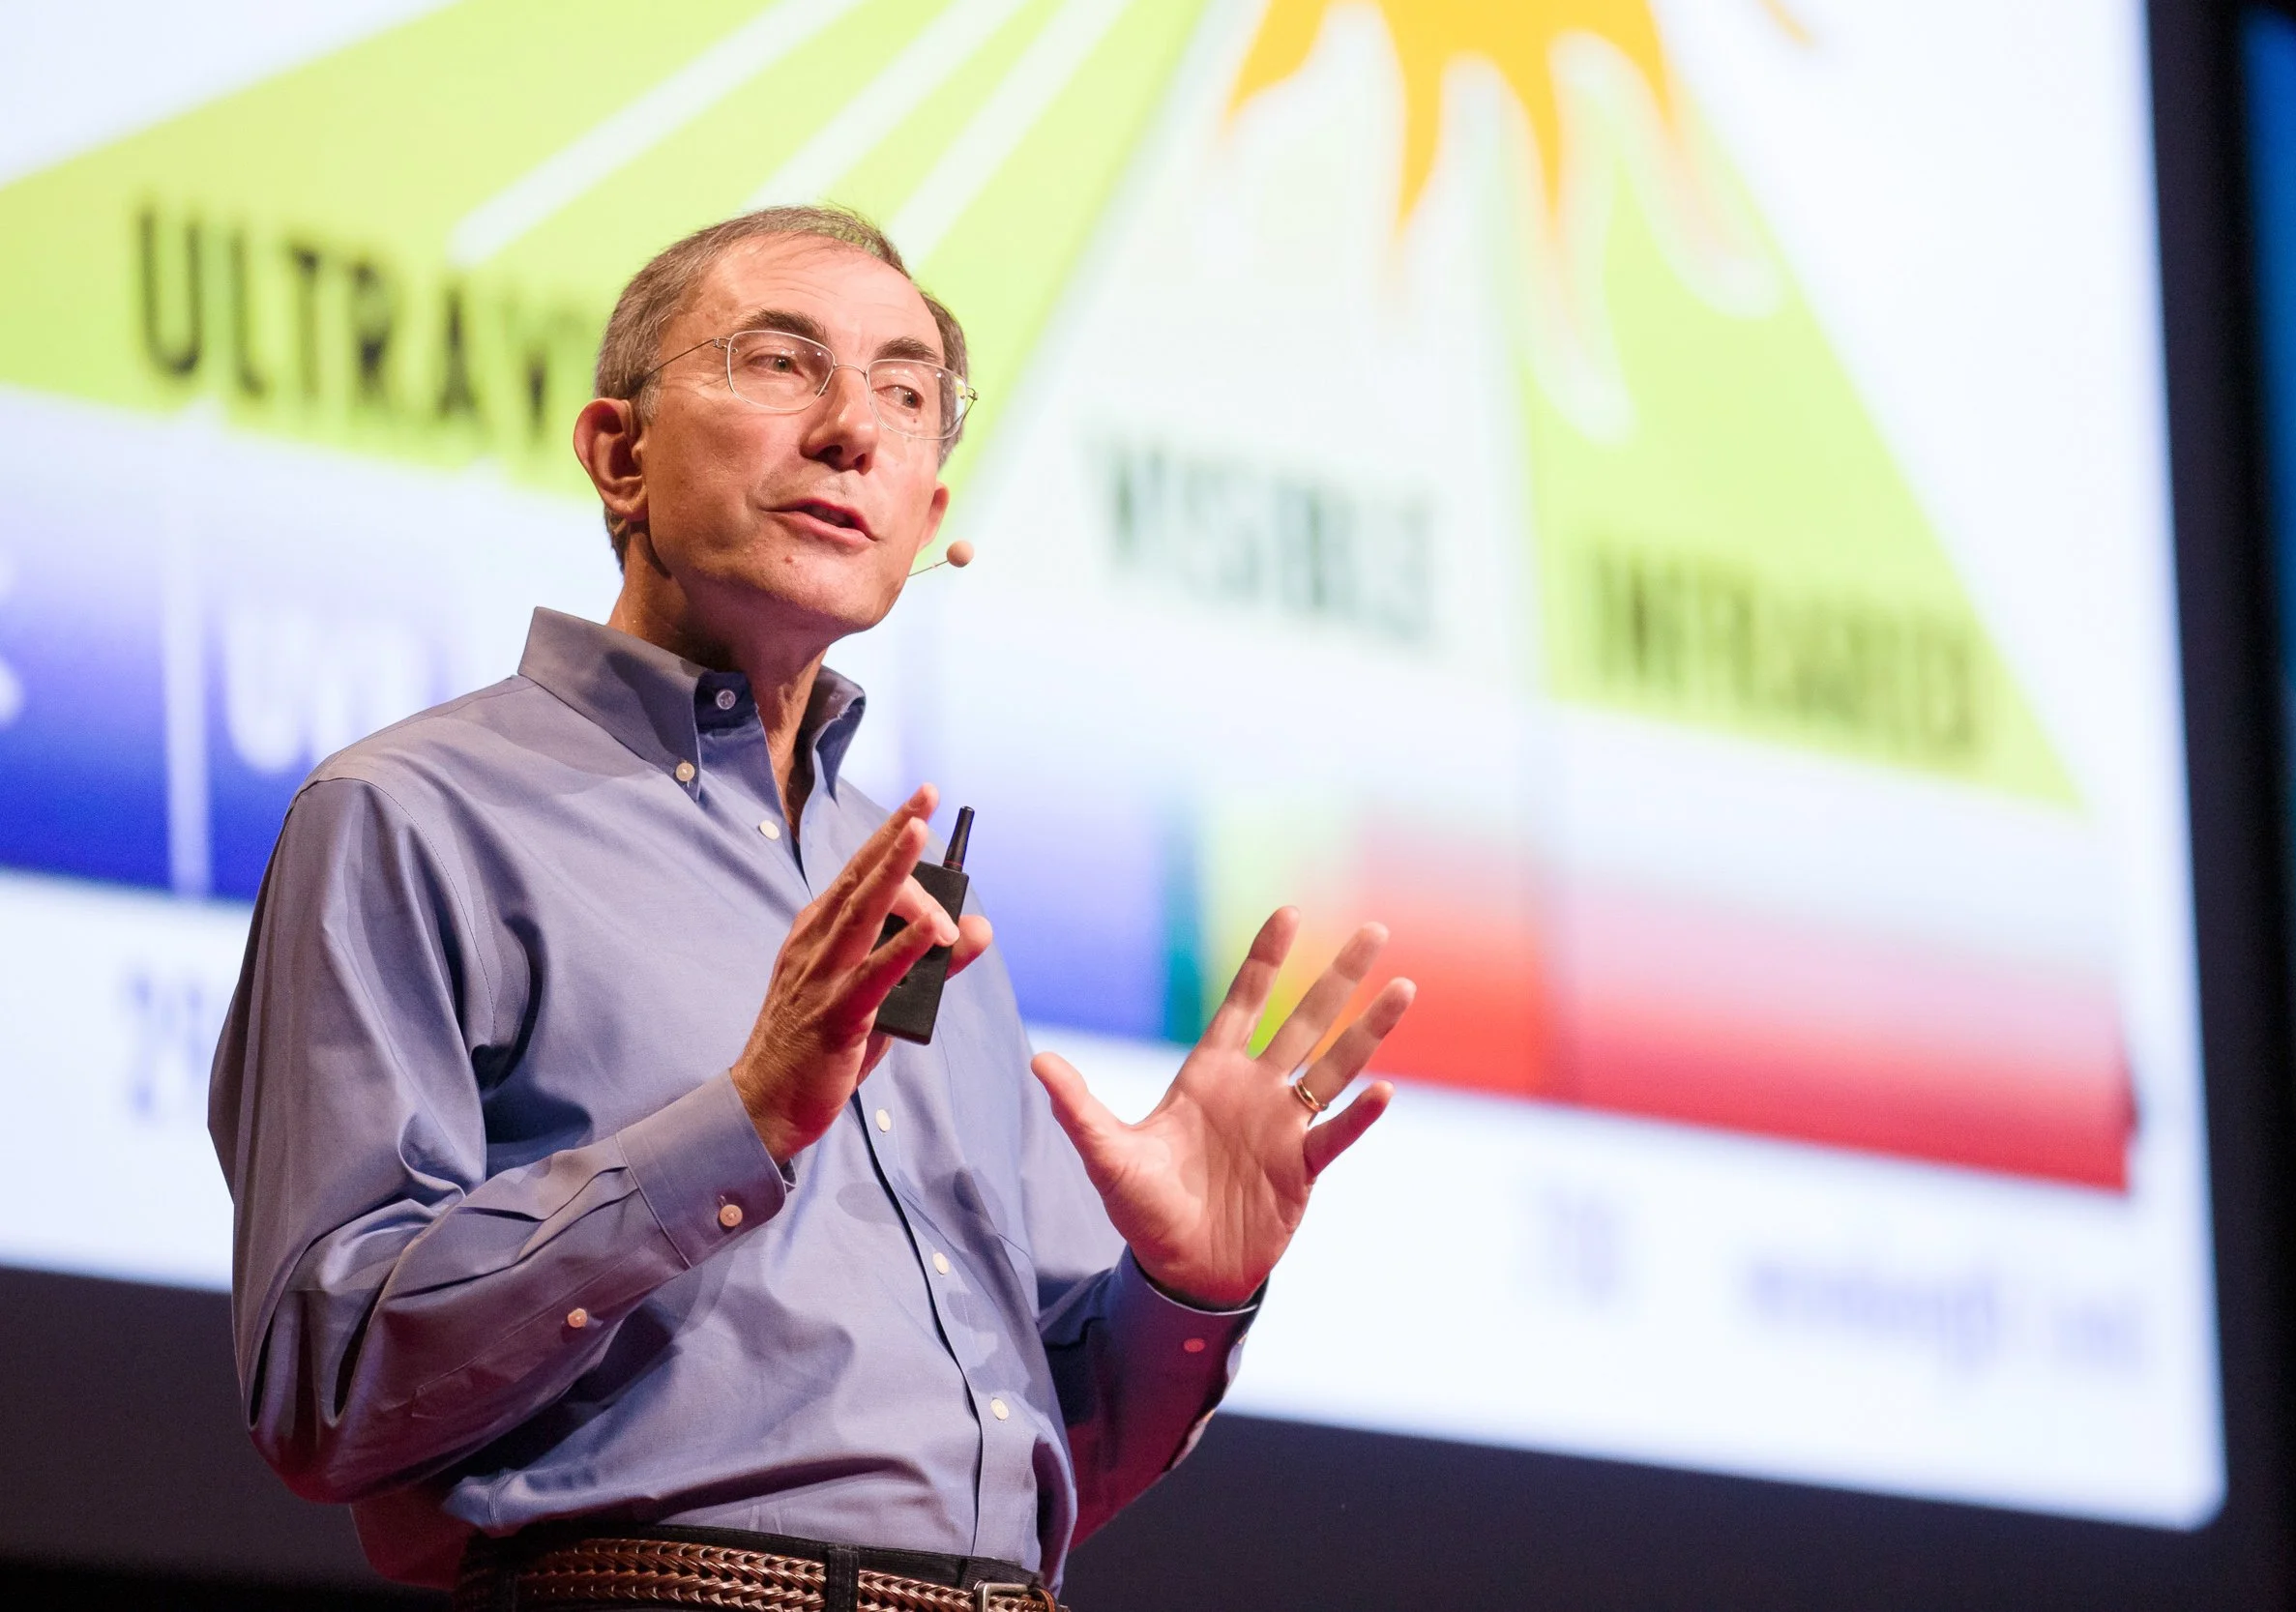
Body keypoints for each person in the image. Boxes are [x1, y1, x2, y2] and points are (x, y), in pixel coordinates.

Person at [208, 205, 1412, 1610]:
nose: (854, 430)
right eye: (780, 363)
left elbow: (1058, 1442)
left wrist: (1189, 1293)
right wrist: (739, 1126)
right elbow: (326, 1379)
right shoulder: (416, 814)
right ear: (618, 452)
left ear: (928, 520)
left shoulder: (916, 902)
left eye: (908, 396)